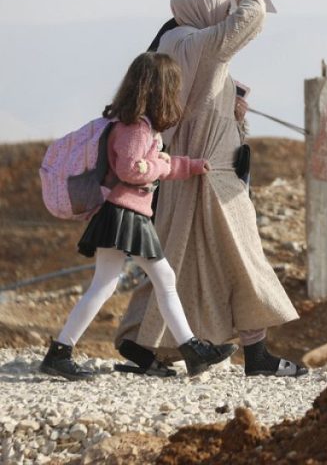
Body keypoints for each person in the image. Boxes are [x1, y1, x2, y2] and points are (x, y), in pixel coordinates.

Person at [114, 0, 306, 377]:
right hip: (212, 177)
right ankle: (257, 356)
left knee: (177, 261)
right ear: (205, 8)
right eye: (218, 7)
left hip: (184, 173)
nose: (223, 15)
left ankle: (143, 343)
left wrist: (231, 106)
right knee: (242, 258)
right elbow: (249, 22)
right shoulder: (198, 43)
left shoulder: (174, 43)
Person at [40, 52, 237, 381]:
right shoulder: (136, 129)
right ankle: (193, 351)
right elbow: (132, 169)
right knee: (160, 280)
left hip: (121, 213)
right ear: (160, 90)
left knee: (110, 285)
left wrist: (187, 166)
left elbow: (154, 164)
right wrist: (159, 164)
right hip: (126, 214)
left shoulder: (136, 126)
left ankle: (61, 352)